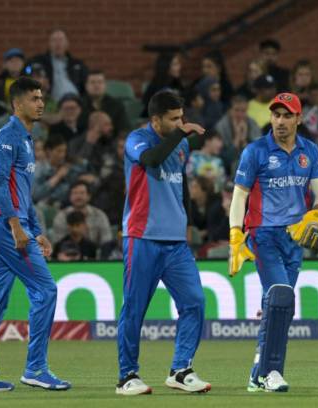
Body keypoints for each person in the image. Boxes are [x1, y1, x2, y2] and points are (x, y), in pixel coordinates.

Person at [0, 77, 71, 391]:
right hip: (3, 225)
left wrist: (37, 230)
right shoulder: (9, 136)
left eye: (41, 98)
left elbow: (23, 193)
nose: (40, 103)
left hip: (7, 224)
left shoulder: (25, 138)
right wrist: (15, 226)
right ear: (17, 103)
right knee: (46, 291)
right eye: (34, 98)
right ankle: (35, 368)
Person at [229, 92, 318, 392]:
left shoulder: (309, 151)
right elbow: (239, 196)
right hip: (264, 234)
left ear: (299, 118)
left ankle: (256, 372)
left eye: (287, 115)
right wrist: (236, 234)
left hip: (295, 238)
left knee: (277, 305)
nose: (281, 121)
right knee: (282, 298)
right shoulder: (256, 151)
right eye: (276, 115)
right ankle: (270, 373)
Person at [116, 90, 210, 395]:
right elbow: (151, 159)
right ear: (155, 120)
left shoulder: (180, 144)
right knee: (134, 309)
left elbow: (178, 188)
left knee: (194, 301)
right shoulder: (137, 140)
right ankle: (127, 376)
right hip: (142, 238)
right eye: (173, 118)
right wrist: (182, 135)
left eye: (181, 117)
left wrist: (187, 223)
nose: (180, 123)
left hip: (175, 242)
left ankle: (181, 370)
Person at [51, 180, 113, 251]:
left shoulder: (99, 215)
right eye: (75, 193)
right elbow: (58, 243)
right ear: (69, 196)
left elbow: (107, 241)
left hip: (95, 257)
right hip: (67, 256)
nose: (78, 196)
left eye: (82, 193)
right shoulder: (61, 217)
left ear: (89, 196)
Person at [29, 29, 88, 101]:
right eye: (54, 40)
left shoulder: (77, 64)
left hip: (76, 101)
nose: (58, 43)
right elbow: (26, 73)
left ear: (67, 43)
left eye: (61, 40)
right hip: (50, 101)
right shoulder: (39, 61)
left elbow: (86, 83)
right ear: (49, 44)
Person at [215, 94, 262, 173]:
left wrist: (244, 141)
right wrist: (236, 139)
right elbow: (223, 159)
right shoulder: (221, 127)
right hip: (228, 170)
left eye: (243, 111)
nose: (240, 114)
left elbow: (259, 154)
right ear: (230, 110)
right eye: (236, 110)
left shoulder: (253, 124)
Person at [81, 70, 130, 137]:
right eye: (92, 82)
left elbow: (124, 128)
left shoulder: (117, 105)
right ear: (86, 86)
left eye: (100, 82)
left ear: (105, 85)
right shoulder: (79, 105)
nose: (96, 85)